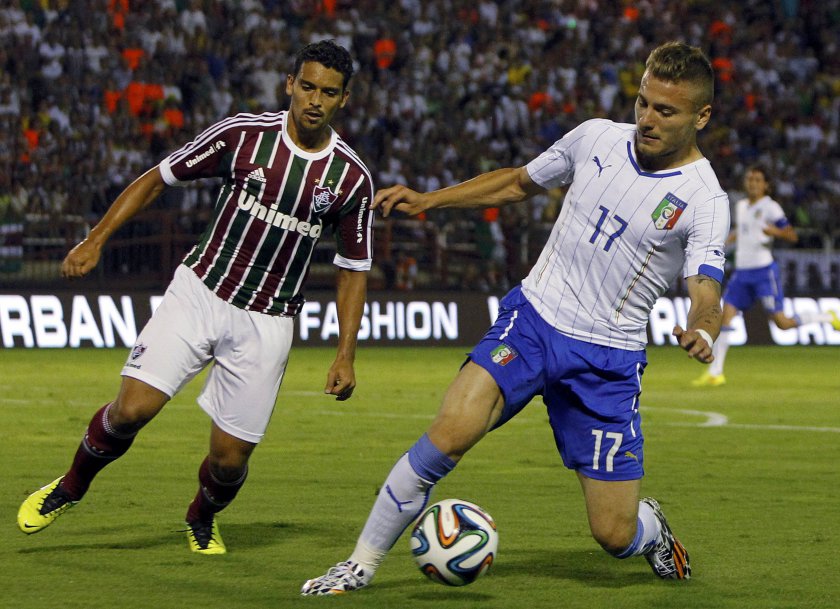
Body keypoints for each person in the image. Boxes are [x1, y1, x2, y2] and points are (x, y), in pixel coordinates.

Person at [301, 41, 728, 595]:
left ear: (701, 116)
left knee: (614, 533)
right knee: (448, 433)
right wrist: (429, 201)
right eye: (643, 102)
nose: (647, 119)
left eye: (665, 111)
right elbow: (517, 182)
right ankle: (358, 565)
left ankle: (653, 532)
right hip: (532, 321)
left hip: (606, 360)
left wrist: (703, 327)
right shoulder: (596, 137)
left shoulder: (705, 199)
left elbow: (705, 285)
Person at [17, 40, 374, 555]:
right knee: (130, 410)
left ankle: (201, 517)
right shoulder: (242, 136)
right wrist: (96, 238)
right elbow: (158, 178)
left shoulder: (351, 179)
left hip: (268, 320)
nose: (315, 100)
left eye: (329, 92)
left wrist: (345, 354)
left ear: (345, 99)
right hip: (200, 291)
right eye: (308, 86)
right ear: (289, 85)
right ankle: (70, 487)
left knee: (229, 463)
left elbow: (352, 270)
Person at [692, 164, 840, 386]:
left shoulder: (771, 207)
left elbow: (791, 235)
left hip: (763, 272)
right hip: (742, 273)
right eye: (750, 179)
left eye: (757, 180)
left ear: (766, 185)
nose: (752, 183)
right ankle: (716, 372)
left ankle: (826, 317)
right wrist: (723, 243)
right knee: (726, 317)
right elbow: (741, 231)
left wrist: (775, 231)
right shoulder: (741, 206)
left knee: (782, 323)